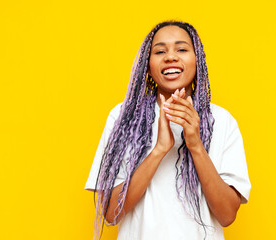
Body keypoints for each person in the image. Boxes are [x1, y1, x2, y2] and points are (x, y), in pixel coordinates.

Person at [85, 21, 251, 240]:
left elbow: (227, 215)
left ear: (197, 60)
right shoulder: (122, 117)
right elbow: (110, 214)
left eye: (181, 49)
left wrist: (196, 145)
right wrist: (159, 149)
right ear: (148, 64)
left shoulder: (222, 120)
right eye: (160, 51)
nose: (171, 57)